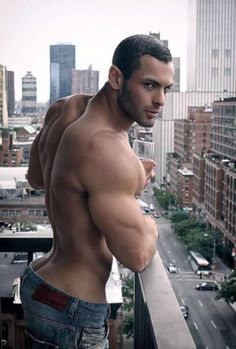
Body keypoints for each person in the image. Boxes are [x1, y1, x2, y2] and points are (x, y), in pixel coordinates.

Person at [20, 34, 174, 348]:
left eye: (166, 88)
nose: (160, 100)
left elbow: (37, 177)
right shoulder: (106, 148)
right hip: (71, 308)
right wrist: (150, 224)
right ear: (116, 77)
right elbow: (137, 256)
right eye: (149, 85)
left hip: (40, 281)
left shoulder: (67, 107)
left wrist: (121, 175)